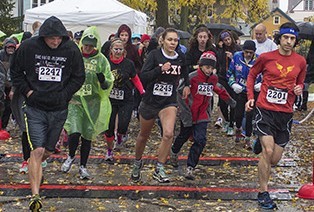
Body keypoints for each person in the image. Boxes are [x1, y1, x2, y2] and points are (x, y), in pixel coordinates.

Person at [10, 16, 85, 211]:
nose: (55, 42)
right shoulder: (28, 47)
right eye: (52, 38)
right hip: (34, 107)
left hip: (58, 108)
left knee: (48, 151)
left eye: (59, 38)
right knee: (38, 150)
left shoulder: (71, 50)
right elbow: (15, 72)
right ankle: (35, 196)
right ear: (43, 36)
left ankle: (36, 168)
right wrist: (28, 92)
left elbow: (79, 77)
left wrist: (65, 94)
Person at [245, 22, 306, 209]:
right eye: (285, 37)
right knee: (268, 151)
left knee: (275, 158)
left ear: (296, 41)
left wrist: (299, 88)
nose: (288, 41)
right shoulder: (265, 58)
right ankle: (263, 193)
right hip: (265, 109)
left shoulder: (300, 61)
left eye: (292, 38)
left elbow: (300, 83)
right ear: (280, 38)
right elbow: (251, 76)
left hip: (285, 114)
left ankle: (259, 143)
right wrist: (250, 97)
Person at [130, 28, 190, 183]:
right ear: (162, 40)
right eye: (170, 40)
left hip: (168, 101)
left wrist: (186, 86)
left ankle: (160, 168)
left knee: (169, 133)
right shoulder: (154, 55)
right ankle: (137, 163)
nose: (173, 43)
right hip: (150, 101)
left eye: (175, 40)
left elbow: (185, 73)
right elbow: (142, 77)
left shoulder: (181, 57)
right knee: (144, 135)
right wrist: (159, 70)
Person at [170, 51, 236, 180]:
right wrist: (183, 110)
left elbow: (219, 89)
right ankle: (174, 151)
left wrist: (230, 101)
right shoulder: (192, 77)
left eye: (212, 68)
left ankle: (190, 167)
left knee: (200, 140)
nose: (209, 70)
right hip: (188, 113)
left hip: (203, 114)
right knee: (184, 135)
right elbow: (179, 92)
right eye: (207, 67)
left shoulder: (213, 78)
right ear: (200, 66)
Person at [61, 26, 114, 179]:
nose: (88, 48)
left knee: (87, 135)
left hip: (92, 103)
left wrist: (103, 81)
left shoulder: (101, 60)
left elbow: (108, 82)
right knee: (74, 131)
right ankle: (71, 156)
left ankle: (83, 165)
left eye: (91, 45)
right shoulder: (75, 56)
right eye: (86, 44)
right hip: (75, 101)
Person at [104, 38, 145, 160]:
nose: (117, 51)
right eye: (115, 49)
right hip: (110, 99)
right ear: (111, 50)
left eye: (120, 49)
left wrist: (141, 90)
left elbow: (135, 78)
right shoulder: (106, 63)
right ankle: (110, 151)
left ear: (124, 51)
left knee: (123, 124)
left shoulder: (128, 64)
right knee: (109, 127)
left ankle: (121, 136)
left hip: (126, 98)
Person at [227, 40, 260, 148]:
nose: (249, 54)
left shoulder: (259, 60)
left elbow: (266, 75)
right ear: (243, 51)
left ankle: (248, 138)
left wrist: (261, 84)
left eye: (251, 52)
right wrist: (233, 84)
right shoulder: (237, 57)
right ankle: (238, 128)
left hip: (252, 92)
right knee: (239, 114)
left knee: (250, 115)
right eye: (246, 52)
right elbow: (230, 73)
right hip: (240, 90)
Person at [216, 30, 242, 135]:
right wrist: (221, 49)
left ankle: (231, 124)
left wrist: (233, 58)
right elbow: (218, 61)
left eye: (228, 39)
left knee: (232, 101)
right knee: (222, 101)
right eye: (225, 40)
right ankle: (226, 120)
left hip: (233, 78)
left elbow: (240, 61)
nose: (227, 42)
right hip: (222, 77)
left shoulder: (237, 49)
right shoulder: (220, 49)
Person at [0, 38, 17, 131]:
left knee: (8, 107)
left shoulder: (16, 57)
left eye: (12, 48)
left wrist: (13, 89)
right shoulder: (0, 55)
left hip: (10, 86)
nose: (11, 49)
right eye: (9, 47)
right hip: (1, 85)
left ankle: (3, 126)